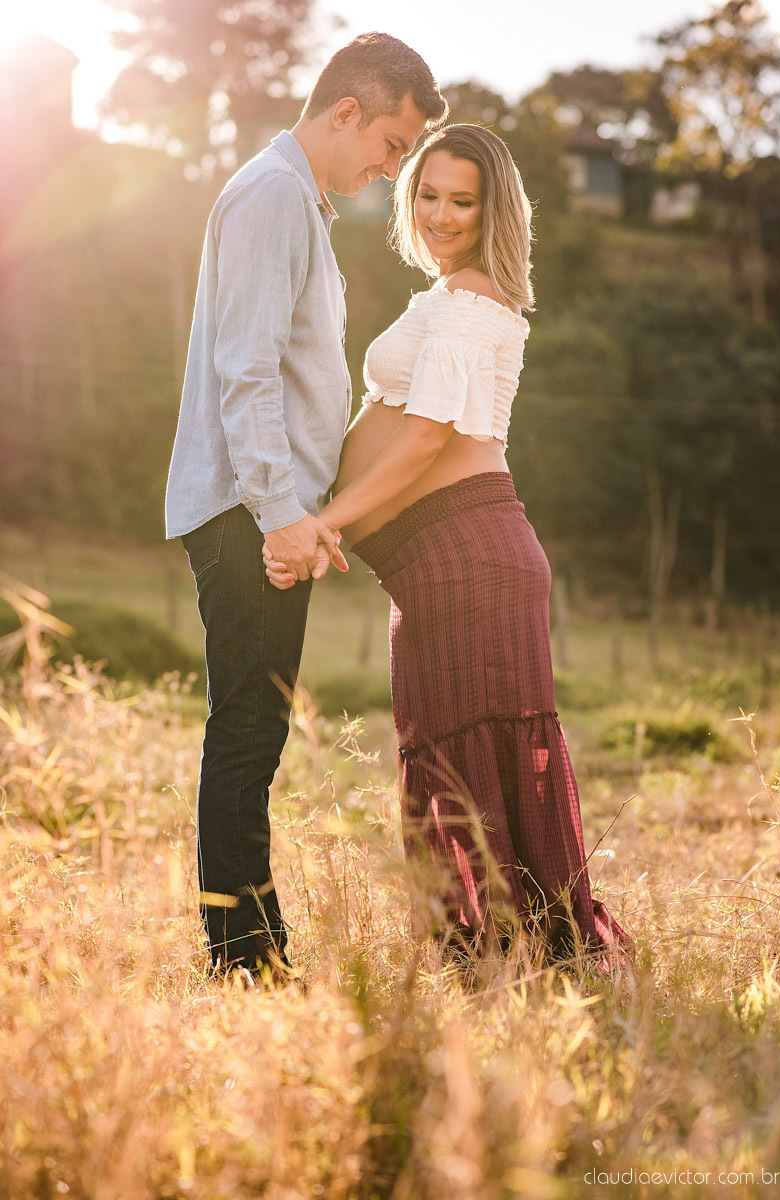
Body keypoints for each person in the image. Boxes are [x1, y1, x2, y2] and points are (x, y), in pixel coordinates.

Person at [265, 124, 629, 962]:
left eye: (460, 200)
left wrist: (329, 519)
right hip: (436, 568)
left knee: (472, 776)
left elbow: (427, 439)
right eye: (426, 193)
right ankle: (493, 959)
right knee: (448, 770)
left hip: (470, 560)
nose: (438, 213)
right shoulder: (439, 297)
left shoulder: (472, 299)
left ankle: (527, 960)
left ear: (492, 208)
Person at [165, 33, 447, 981]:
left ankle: (251, 948)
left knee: (255, 726)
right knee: (247, 729)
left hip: (266, 509)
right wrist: (282, 512)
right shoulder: (273, 196)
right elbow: (244, 372)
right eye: (394, 143)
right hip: (252, 512)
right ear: (345, 114)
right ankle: (242, 959)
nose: (392, 165)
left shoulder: (298, 203)